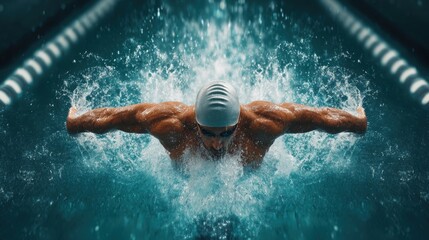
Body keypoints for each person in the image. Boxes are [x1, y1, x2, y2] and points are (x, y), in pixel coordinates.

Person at [67, 81, 367, 165]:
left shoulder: (264, 124)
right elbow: (119, 118)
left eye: (226, 133)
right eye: (207, 133)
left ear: (239, 123)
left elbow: (317, 118)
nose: (216, 143)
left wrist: (355, 121)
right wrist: (78, 122)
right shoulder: (169, 124)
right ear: (194, 123)